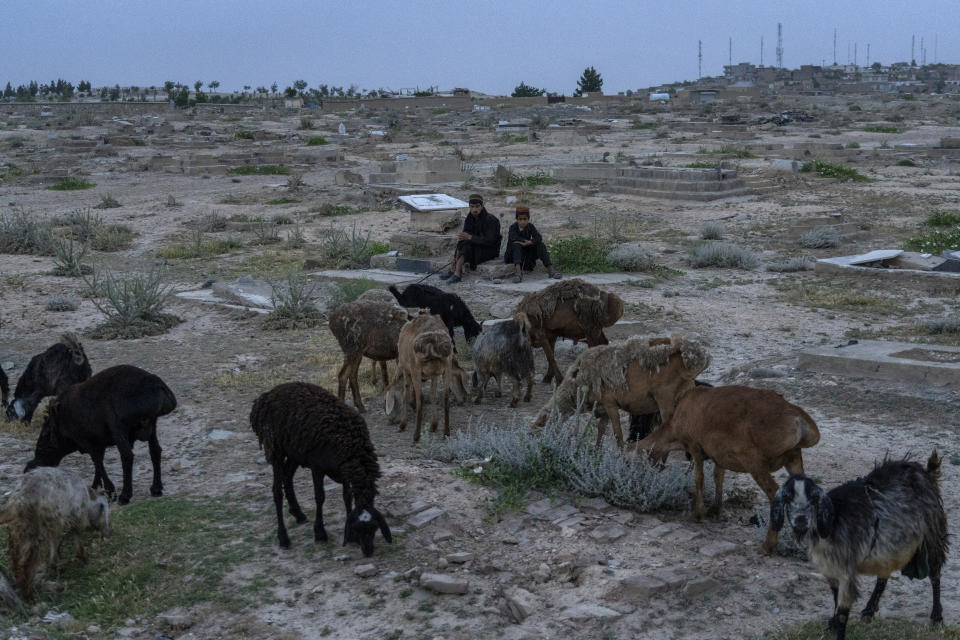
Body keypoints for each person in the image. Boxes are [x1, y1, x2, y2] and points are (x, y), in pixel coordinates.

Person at [442, 194, 501, 284]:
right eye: (472, 207)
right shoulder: (469, 218)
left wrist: (471, 237)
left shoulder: (491, 220)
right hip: (475, 246)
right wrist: (455, 256)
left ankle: (457, 273)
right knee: (463, 243)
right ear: (469, 207)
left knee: (467, 245)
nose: (474, 209)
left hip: (489, 250)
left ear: (482, 206)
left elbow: (490, 241)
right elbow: (463, 237)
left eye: (477, 206)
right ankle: (454, 269)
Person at [504, 205, 561, 283]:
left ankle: (550, 270)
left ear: (528, 219)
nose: (522, 221)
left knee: (540, 244)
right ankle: (518, 273)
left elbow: (538, 237)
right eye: (520, 219)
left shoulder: (530, 226)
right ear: (517, 219)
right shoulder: (513, 227)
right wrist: (523, 242)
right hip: (513, 255)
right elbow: (513, 238)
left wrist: (530, 242)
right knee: (516, 245)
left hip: (526, 255)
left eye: (525, 219)